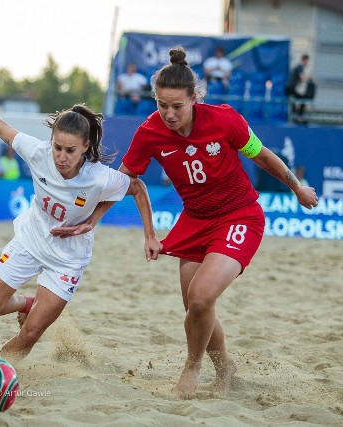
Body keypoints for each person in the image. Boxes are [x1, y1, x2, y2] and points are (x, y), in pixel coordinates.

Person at [57, 47, 319, 399]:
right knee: (197, 307)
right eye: (162, 105)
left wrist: (297, 187)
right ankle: (225, 367)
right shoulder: (150, 131)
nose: (168, 113)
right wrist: (93, 220)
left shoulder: (225, 119)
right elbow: (125, 181)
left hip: (239, 214)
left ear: (194, 98)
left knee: (201, 296)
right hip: (195, 220)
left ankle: (191, 367)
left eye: (177, 106)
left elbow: (264, 157)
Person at [0, 81, 160, 362]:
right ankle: (27, 303)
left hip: (68, 258)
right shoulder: (38, 153)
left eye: (70, 150)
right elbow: (2, 128)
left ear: (86, 147)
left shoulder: (99, 176)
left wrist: (149, 235)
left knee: (30, 334)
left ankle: (1, 374)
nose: (61, 157)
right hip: (30, 241)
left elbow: (137, 187)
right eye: (57, 147)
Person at [285, 54, 315, 124]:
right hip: (290, 88)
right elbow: (302, 78)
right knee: (302, 98)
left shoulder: (299, 67)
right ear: (304, 60)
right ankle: (297, 117)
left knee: (300, 99)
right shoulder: (300, 66)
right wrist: (310, 76)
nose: (307, 63)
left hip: (290, 88)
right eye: (307, 61)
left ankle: (297, 116)